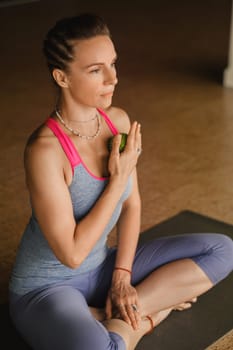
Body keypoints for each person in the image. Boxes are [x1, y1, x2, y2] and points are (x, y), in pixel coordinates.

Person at [8, 13, 233, 350]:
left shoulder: (118, 122)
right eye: (96, 70)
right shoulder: (44, 151)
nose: (113, 78)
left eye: (113, 64)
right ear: (62, 77)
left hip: (103, 269)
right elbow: (72, 255)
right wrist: (117, 180)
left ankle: (110, 313)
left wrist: (121, 277)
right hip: (47, 287)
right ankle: (151, 314)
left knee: (222, 249)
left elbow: (133, 204)